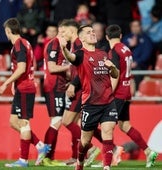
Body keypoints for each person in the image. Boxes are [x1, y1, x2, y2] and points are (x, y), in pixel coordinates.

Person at [59, 24, 119, 170]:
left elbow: (115, 75)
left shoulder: (103, 53)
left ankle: (106, 167)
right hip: (91, 104)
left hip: (108, 101)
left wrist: (112, 68)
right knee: (85, 141)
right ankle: (80, 162)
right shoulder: (80, 54)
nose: (93, 33)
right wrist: (64, 48)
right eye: (88, 32)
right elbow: (71, 58)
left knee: (108, 131)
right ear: (81, 38)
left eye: (93, 31)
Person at [0, 18, 50, 167]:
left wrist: (5, 84)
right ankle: (40, 146)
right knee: (14, 122)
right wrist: (14, 83)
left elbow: (21, 68)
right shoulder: (24, 43)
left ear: (8, 31)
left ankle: (23, 160)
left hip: (26, 88)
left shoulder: (19, 45)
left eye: (5, 31)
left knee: (24, 123)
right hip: (22, 87)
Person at [105, 24, 158, 168]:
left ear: (106, 37)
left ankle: (109, 160)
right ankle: (148, 151)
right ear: (121, 36)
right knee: (124, 125)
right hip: (126, 91)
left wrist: (108, 93)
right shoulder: (126, 49)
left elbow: (115, 75)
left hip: (117, 93)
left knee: (107, 127)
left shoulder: (114, 51)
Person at [60, 19, 100, 166]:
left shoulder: (78, 43)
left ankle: (90, 148)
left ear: (71, 31)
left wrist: (73, 84)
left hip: (80, 89)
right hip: (80, 88)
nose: (62, 34)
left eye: (63, 31)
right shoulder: (73, 44)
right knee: (81, 123)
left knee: (68, 121)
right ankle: (76, 155)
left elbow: (83, 68)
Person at [42, 22, 70, 166]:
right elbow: (52, 68)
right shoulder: (54, 44)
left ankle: (47, 157)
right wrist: (70, 66)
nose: (69, 34)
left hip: (59, 86)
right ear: (61, 31)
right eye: (67, 31)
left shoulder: (61, 46)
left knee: (56, 121)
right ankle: (45, 156)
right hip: (54, 86)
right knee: (57, 121)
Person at [122, 20, 153, 91]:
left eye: (137, 26)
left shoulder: (146, 39)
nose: (135, 28)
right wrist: (130, 45)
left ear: (140, 27)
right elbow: (121, 52)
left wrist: (137, 62)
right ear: (131, 28)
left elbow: (147, 54)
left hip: (141, 65)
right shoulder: (126, 38)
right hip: (127, 64)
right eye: (133, 26)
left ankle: (137, 92)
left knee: (137, 71)